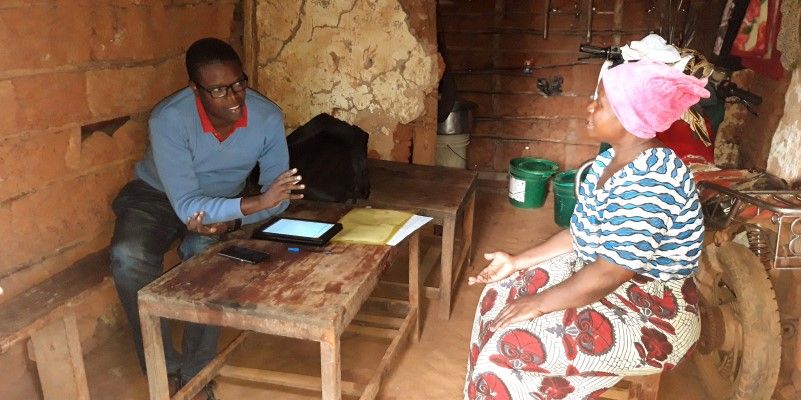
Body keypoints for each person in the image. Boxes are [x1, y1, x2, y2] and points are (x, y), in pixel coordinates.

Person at [464, 60, 709, 399]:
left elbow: (610, 273)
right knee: (497, 298)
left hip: (652, 312)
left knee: (511, 350)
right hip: (601, 280)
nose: (589, 107)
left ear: (630, 118)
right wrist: (517, 262)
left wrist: (539, 304)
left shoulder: (654, 179)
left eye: (602, 103)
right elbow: (580, 234)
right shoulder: (605, 165)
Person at [109, 37, 303, 399]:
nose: (233, 98)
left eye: (238, 83)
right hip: (156, 196)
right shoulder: (169, 118)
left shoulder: (267, 117)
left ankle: (196, 372)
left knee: (205, 254)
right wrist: (255, 202)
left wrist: (234, 218)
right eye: (218, 90)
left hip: (223, 202)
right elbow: (188, 207)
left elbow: (279, 197)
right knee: (128, 257)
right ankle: (163, 366)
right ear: (195, 89)